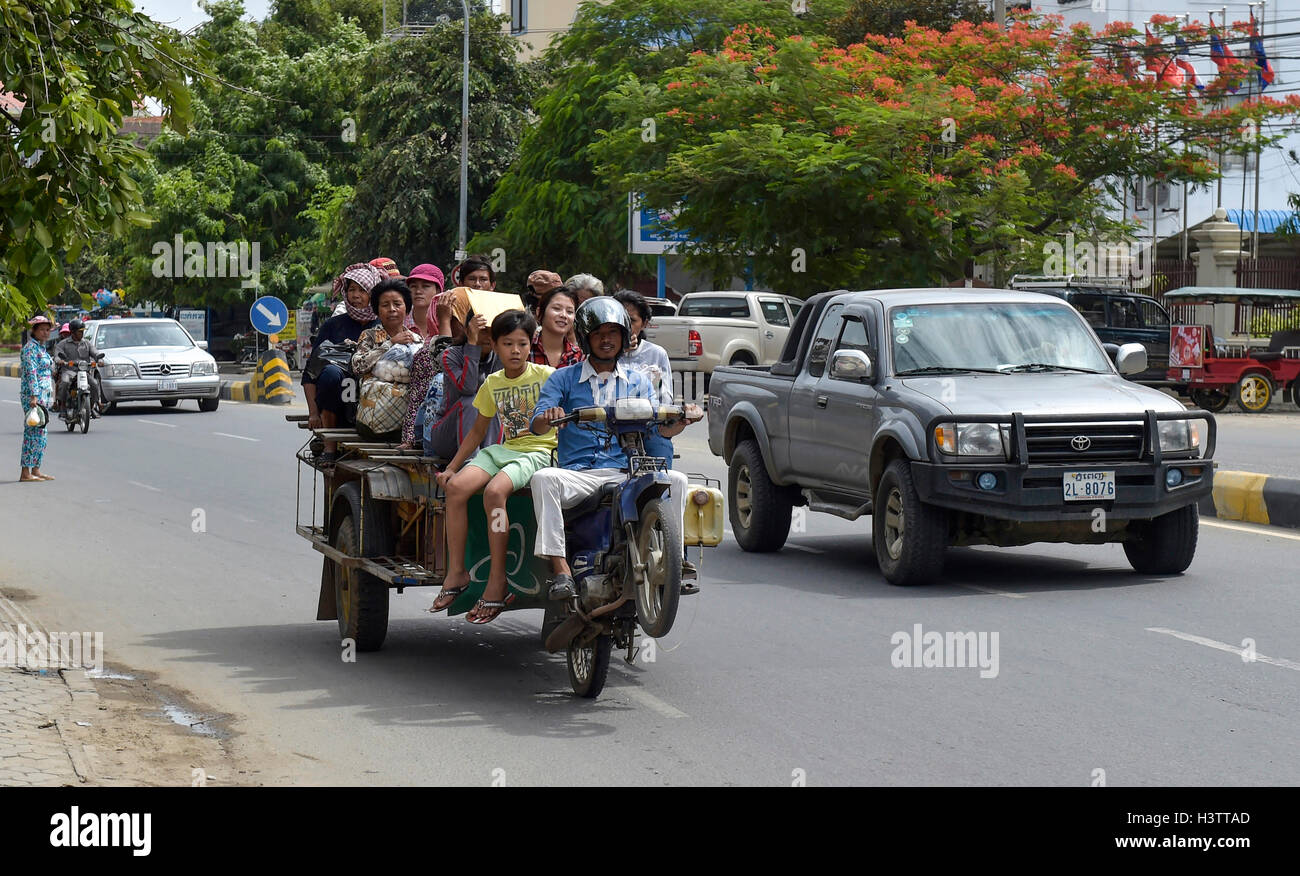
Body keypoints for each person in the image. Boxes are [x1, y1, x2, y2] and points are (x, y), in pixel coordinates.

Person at [528, 298, 703, 600]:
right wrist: (549, 415)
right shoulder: (563, 378)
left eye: (613, 332)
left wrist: (683, 419)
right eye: (598, 333)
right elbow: (538, 423)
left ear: (624, 337)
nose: (606, 339)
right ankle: (561, 572)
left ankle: (674, 563)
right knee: (543, 479)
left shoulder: (639, 382)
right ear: (585, 338)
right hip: (579, 475)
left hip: (628, 474)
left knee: (678, 480)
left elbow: (658, 429)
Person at [429, 310, 556, 623]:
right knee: (456, 489)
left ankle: (497, 581)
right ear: (495, 347)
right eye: (507, 343)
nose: (515, 350)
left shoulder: (546, 376)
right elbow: (475, 433)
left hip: (539, 451)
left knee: (495, 491)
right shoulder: (492, 383)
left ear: (531, 345)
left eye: (522, 343)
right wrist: (452, 468)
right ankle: (457, 573)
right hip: (504, 450)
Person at [616, 290, 699, 592]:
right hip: (608, 430)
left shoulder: (656, 354)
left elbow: (664, 400)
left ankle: (678, 559)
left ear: (644, 323)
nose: (625, 326)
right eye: (620, 320)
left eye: (632, 320)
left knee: (666, 482)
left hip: (650, 429)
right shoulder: (603, 350)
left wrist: (680, 415)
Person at [304, 263, 384, 460]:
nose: (356, 295)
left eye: (362, 290)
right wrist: (313, 413)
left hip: (377, 400)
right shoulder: (333, 326)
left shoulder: (385, 324)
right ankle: (329, 447)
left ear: (373, 293)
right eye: (351, 290)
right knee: (330, 374)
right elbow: (310, 373)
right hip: (338, 400)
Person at [425, 288, 502, 459]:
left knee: (494, 401)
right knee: (472, 401)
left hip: (484, 435)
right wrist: (473, 346)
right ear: (468, 331)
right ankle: (471, 463)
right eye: (482, 330)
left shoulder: (499, 358)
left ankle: (492, 458)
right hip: (447, 437)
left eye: (492, 331)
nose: (487, 337)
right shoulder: (451, 355)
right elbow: (468, 388)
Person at [351, 279, 422, 441]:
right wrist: (390, 344)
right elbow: (358, 366)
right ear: (377, 310)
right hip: (374, 412)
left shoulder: (416, 339)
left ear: (407, 308)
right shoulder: (369, 336)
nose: (392, 309)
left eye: (397, 304)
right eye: (385, 305)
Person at [20, 316, 56, 482]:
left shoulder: (41, 349)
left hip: (44, 396)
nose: (45, 333)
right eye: (42, 329)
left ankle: (36, 469)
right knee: (32, 433)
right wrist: (34, 395)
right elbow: (31, 373)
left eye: (47, 330)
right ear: (33, 331)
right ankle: (25, 472)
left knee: (41, 434)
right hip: (33, 397)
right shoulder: (30, 349)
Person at [53, 319, 102, 418]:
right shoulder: (63, 343)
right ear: (73, 332)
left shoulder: (86, 343)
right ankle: (62, 407)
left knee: (94, 384)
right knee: (65, 382)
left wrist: (99, 359)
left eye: (83, 331)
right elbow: (57, 355)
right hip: (69, 371)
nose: (82, 333)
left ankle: (92, 407)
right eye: (80, 331)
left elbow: (94, 352)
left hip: (83, 371)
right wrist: (59, 360)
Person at [529, 284, 584, 368]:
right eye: (557, 308)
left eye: (569, 311)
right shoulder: (525, 348)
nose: (563, 315)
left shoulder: (577, 356)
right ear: (539, 312)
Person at [405, 263, 445, 336]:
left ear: (438, 291)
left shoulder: (447, 321)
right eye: (413, 286)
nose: (418, 291)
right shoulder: (399, 320)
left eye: (425, 286)